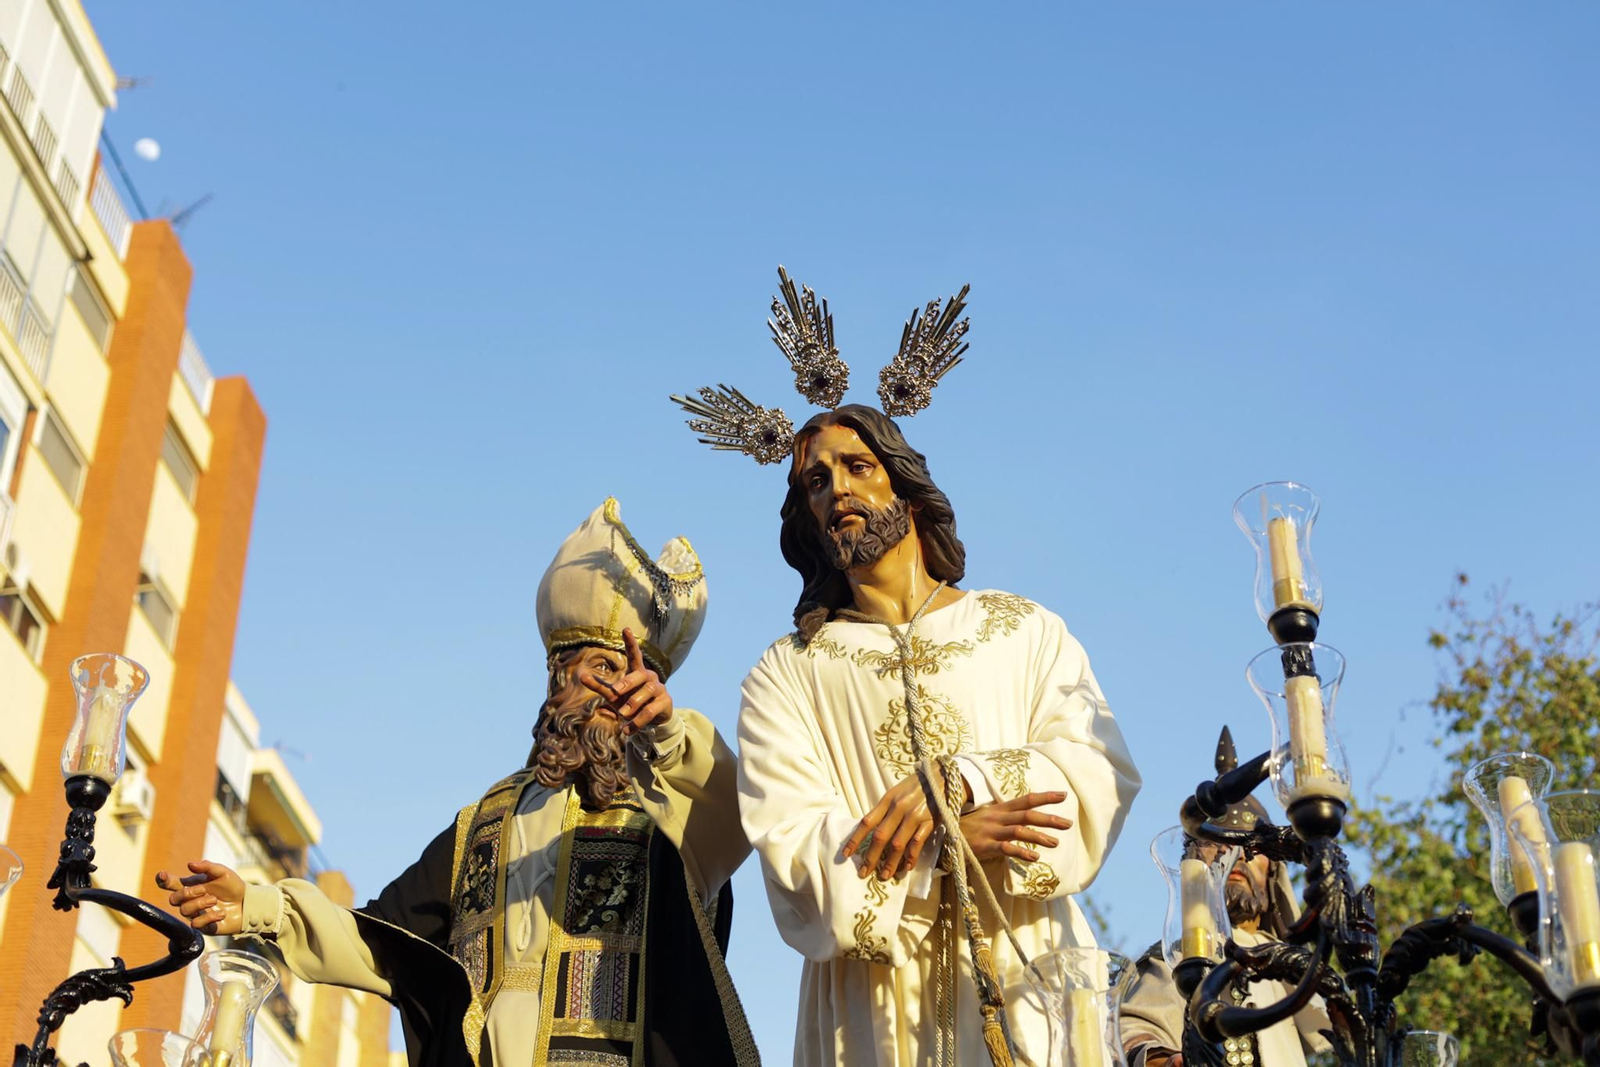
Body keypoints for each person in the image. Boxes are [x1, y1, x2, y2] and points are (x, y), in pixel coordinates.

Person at [157, 498, 757, 1067]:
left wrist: (668, 730)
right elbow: (385, 941)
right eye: (586, 671)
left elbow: (734, 818)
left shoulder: (666, 812)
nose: (601, 695)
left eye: (620, 675)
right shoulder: (488, 822)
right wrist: (259, 907)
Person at [736, 405, 1142, 1065]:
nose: (835, 487)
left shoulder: (1022, 631)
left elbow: (1097, 770)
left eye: (856, 466)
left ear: (903, 484)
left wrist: (961, 781)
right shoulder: (787, 673)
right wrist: (942, 849)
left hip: (1030, 980)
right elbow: (791, 850)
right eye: (815, 481)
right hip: (869, 1017)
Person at [1120, 729, 1331, 1067]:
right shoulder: (1173, 959)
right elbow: (1139, 1027)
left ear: (1272, 872)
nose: (1235, 857)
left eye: (1251, 849)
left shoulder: (1293, 969)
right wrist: (1161, 1058)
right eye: (1218, 847)